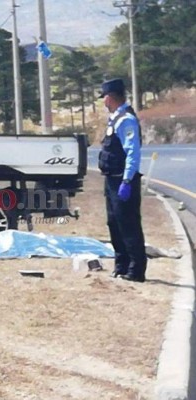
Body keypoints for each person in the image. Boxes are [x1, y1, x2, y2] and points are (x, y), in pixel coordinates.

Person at [98, 78, 147, 282]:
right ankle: (121, 265)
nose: (103, 102)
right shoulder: (115, 118)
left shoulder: (126, 119)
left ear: (110, 98)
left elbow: (132, 152)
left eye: (104, 98)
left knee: (128, 225)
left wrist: (127, 181)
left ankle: (136, 270)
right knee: (114, 223)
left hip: (122, 181)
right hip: (111, 180)